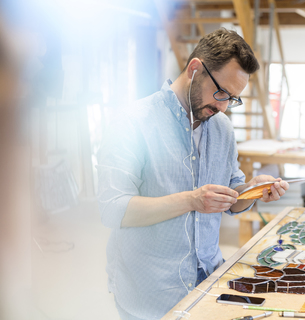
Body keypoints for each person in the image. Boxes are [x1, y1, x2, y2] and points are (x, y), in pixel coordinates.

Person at [96, 28, 290, 320]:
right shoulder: (132, 123)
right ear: (194, 68)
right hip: (151, 293)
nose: (223, 106)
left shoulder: (221, 127)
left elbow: (232, 193)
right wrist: (191, 200)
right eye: (221, 92)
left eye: (233, 99)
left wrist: (252, 190)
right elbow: (112, 210)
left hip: (209, 282)